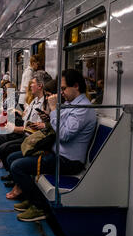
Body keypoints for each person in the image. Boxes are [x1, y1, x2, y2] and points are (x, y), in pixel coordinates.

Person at [8, 69, 97, 222]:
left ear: (76, 86)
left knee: (18, 166)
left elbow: (64, 135)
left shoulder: (83, 109)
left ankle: (39, 207)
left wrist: (54, 110)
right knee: (13, 157)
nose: (61, 92)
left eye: (63, 89)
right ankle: (30, 196)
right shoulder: (72, 104)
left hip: (68, 161)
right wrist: (49, 118)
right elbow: (59, 126)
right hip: (56, 154)